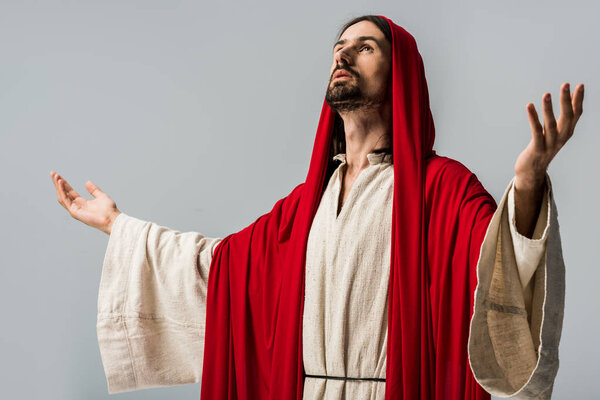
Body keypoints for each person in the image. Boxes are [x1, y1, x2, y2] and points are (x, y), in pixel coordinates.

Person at [50, 15, 584, 400]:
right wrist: (117, 226)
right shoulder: (305, 208)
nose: (343, 54)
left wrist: (529, 183)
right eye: (339, 46)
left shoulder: (441, 189)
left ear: (400, 76)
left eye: (366, 47)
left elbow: (498, 268)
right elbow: (221, 269)